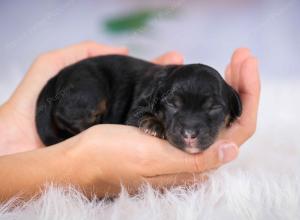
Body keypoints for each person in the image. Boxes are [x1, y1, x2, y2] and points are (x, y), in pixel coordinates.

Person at [0, 41, 260, 202]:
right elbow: (139, 114)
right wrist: (73, 161)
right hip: (92, 78)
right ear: (159, 100)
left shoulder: (219, 101)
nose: (190, 129)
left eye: (213, 108)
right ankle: (68, 121)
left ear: (233, 109)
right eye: (173, 105)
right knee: (85, 103)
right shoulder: (153, 95)